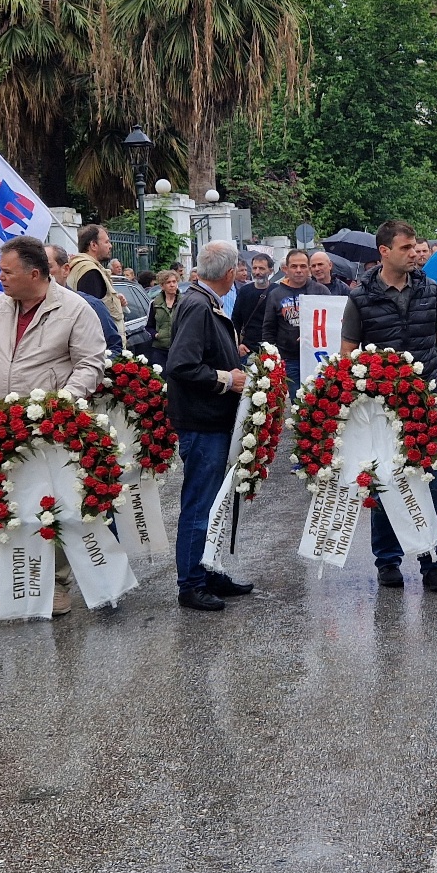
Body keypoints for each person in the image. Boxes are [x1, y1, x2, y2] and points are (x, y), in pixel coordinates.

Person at [0, 238, 109, 617]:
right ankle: (16, 585)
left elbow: (91, 364)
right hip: (1, 425)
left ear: (34, 273)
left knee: (51, 506)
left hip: (52, 427)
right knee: (9, 503)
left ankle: (57, 586)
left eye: (6, 271)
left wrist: (62, 404)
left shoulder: (74, 309)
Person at [341, 220, 437, 593]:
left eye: (416, 247)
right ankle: (388, 561)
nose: (415, 253)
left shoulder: (430, 289)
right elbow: (348, 354)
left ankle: (434, 562)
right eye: (407, 247)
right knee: (384, 484)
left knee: (436, 485)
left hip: (426, 404)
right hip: (381, 410)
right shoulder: (360, 296)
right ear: (384, 252)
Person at [166, 241, 255, 611]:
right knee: (201, 504)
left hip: (214, 422)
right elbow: (181, 365)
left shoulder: (203, 302)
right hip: (202, 423)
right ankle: (191, 583)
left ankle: (210, 570)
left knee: (216, 504)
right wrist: (226, 378)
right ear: (231, 273)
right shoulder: (197, 306)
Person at [262, 249, 329, 390]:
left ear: (309, 269)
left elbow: (331, 324)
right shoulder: (275, 294)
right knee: (297, 403)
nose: (299, 270)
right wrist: (271, 358)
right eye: (294, 266)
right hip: (289, 359)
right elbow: (269, 328)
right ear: (286, 269)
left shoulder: (321, 291)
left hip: (317, 358)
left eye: (303, 266)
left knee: (320, 401)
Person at [47, 245, 117, 353]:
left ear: (65, 270)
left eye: (47, 267)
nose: (41, 273)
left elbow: (113, 348)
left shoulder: (90, 305)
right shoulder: (19, 308)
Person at [67, 224, 127, 347]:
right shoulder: (90, 270)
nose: (110, 246)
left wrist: (114, 300)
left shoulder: (79, 267)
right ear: (93, 245)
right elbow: (92, 311)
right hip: (103, 349)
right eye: (106, 242)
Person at [234, 253, 274, 355]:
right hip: (248, 349)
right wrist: (238, 344)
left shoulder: (277, 292)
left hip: (273, 349)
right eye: (254, 268)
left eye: (261, 268)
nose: (257, 272)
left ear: (270, 271)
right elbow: (236, 321)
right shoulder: (244, 291)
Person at [147, 269, 182, 370]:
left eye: (174, 282)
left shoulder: (184, 302)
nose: (172, 285)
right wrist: (156, 335)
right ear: (162, 286)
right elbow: (149, 326)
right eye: (168, 282)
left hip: (179, 349)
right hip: (159, 349)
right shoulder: (155, 304)